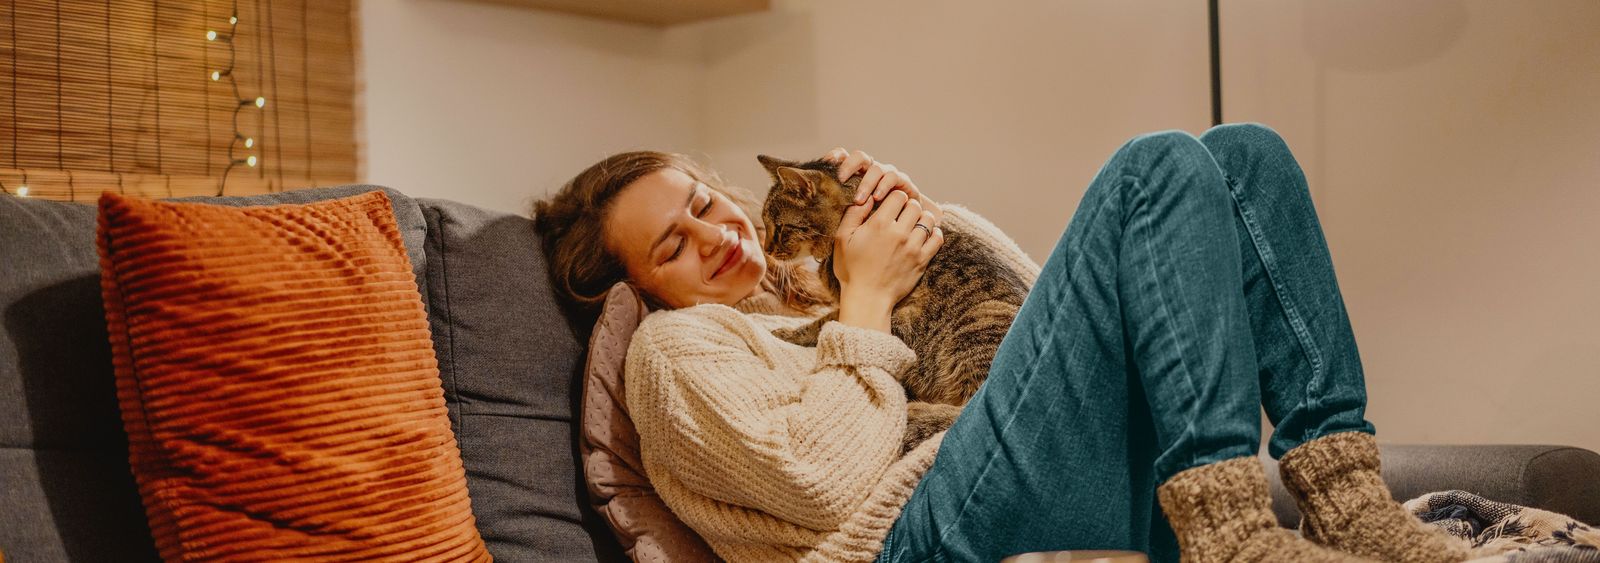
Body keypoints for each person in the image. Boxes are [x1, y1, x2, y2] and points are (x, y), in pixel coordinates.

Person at [532, 124, 1470, 562]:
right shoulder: (676, 354)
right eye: (673, 244)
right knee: (1152, 168)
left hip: (1021, 477)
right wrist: (867, 293)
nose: (717, 233)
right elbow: (821, 480)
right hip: (921, 533)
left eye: (704, 202)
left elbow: (1039, 323)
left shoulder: (801, 293)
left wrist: (924, 228)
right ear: (635, 287)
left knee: (1243, 155)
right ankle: (1229, 536)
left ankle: (1344, 500)